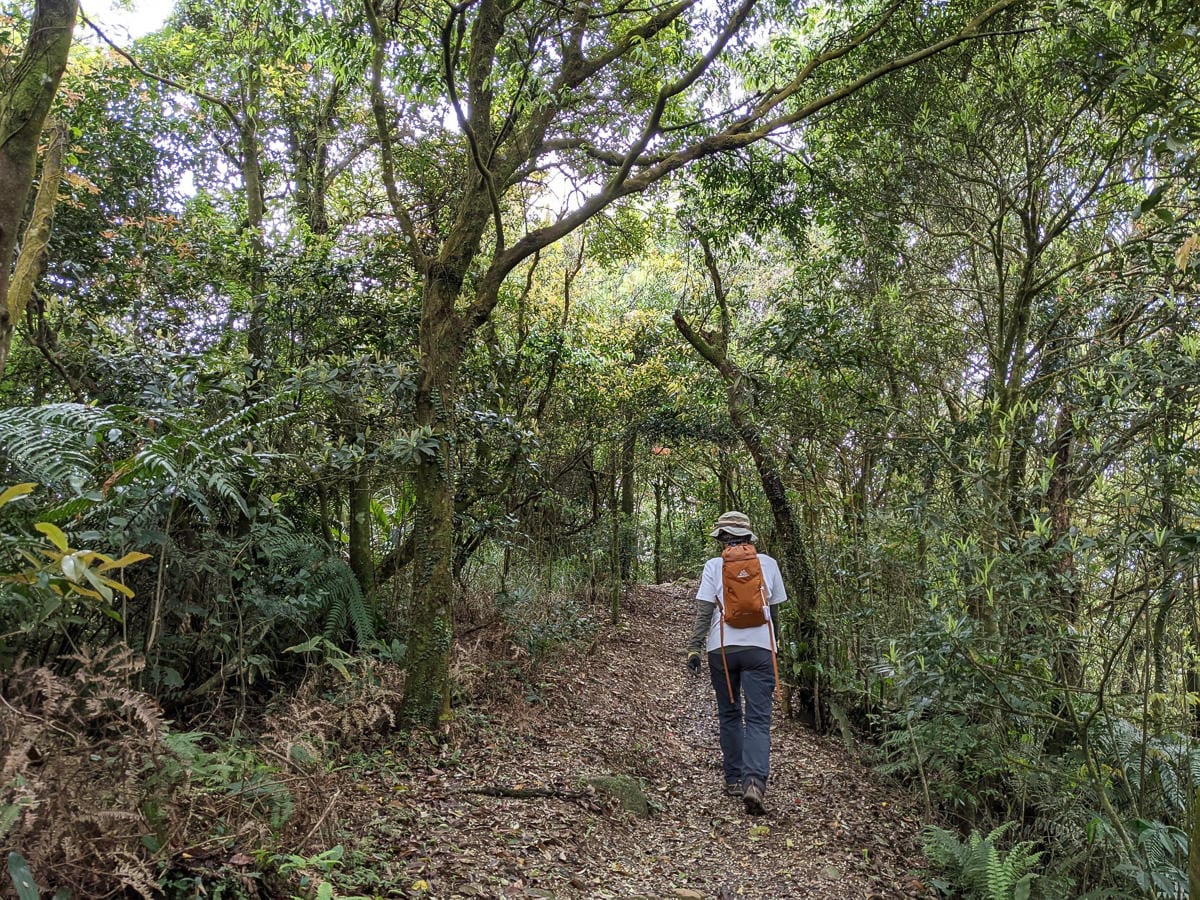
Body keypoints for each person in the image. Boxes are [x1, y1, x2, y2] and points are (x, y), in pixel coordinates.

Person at [686, 511, 787, 815]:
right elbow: (773, 613)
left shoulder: (714, 566)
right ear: (748, 537)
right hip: (760, 649)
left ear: (722, 538)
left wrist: (694, 649)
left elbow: (705, 611)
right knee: (758, 719)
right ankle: (754, 782)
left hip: (722, 650)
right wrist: (774, 647)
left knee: (730, 714)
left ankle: (733, 779)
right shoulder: (767, 564)